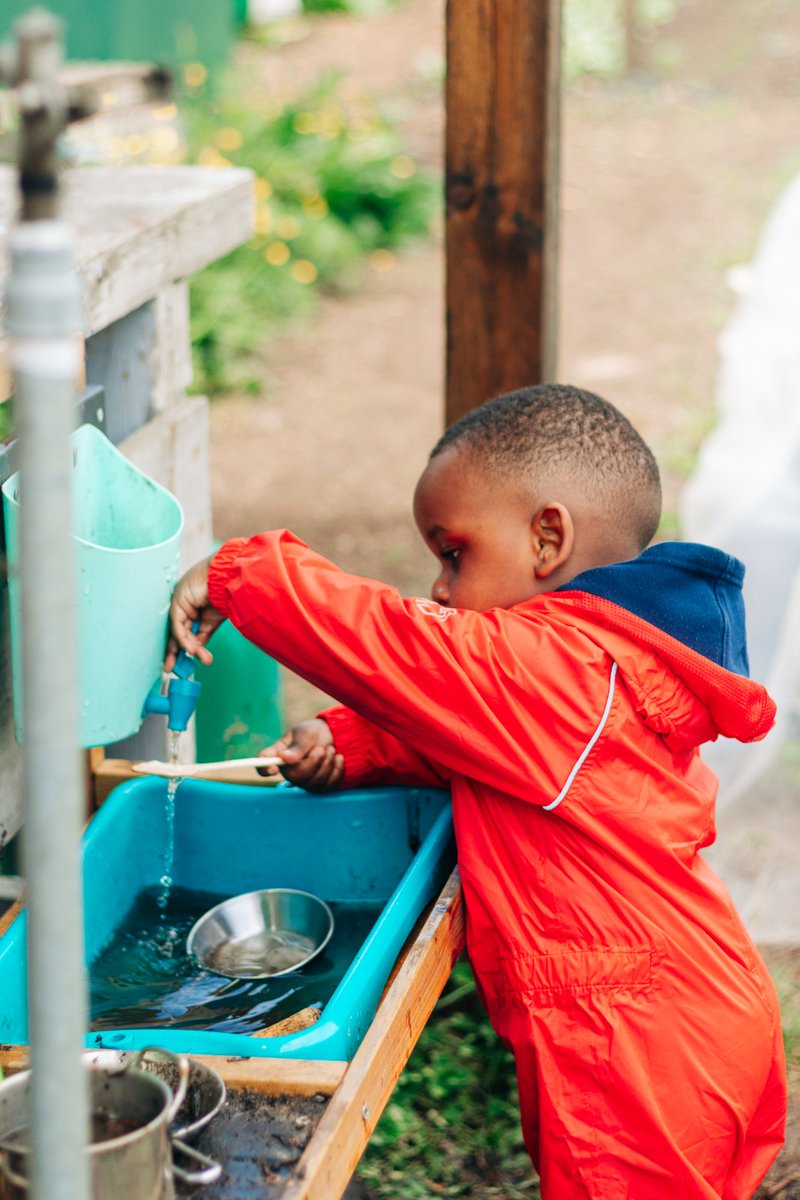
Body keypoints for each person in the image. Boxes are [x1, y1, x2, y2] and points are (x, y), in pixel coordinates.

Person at [167, 384, 786, 1198]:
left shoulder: (558, 666)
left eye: (453, 552)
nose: (439, 587)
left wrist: (241, 573)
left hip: (635, 1050)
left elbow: (397, 650)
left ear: (547, 538)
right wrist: (345, 744)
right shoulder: (585, 677)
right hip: (667, 1018)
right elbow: (470, 740)